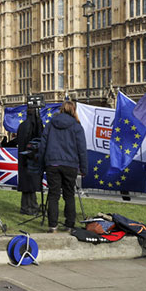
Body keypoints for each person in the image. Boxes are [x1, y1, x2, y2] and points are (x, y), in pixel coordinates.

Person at [38, 100, 88, 233]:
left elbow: (43, 145)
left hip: (52, 163)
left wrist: (41, 164)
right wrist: (84, 168)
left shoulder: (50, 125)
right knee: (69, 195)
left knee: (53, 195)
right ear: (73, 110)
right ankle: (69, 225)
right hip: (70, 164)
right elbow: (82, 149)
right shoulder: (77, 126)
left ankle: (52, 226)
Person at [17, 108, 43, 215]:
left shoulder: (22, 125)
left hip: (23, 157)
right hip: (31, 157)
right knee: (30, 184)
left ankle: (26, 206)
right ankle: (31, 207)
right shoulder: (34, 126)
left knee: (26, 184)